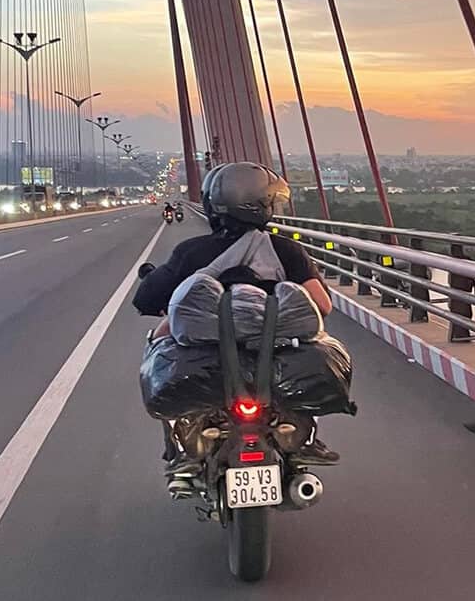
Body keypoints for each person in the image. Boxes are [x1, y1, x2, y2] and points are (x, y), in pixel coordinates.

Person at [134, 162, 337, 466]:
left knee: (159, 343)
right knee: (313, 352)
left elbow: (147, 297)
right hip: (272, 350)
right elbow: (323, 305)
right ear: (263, 206)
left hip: (211, 354)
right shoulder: (286, 250)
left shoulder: (192, 252)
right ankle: (307, 439)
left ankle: (177, 445)